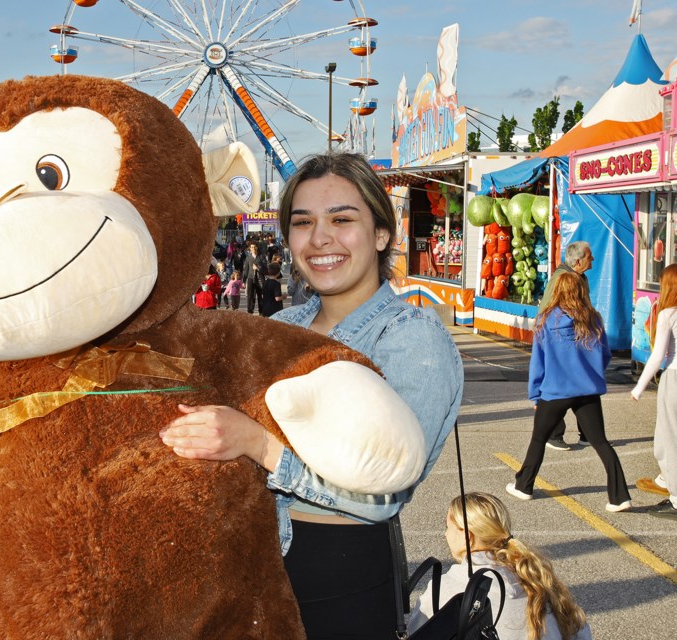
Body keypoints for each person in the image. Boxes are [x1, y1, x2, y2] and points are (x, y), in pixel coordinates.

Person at [160, 153, 463, 639]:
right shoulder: (280, 327)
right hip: (254, 577)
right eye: (303, 223)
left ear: (382, 234)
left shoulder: (410, 336)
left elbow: (384, 494)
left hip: (341, 584)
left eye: (342, 219)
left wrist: (258, 445)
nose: (320, 238)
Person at [507, 271, 632, 512]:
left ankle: (524, 486)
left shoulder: (546, 320)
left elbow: (538, 363)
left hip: (555, 390)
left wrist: (535, 393)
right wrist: (590, 371)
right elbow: (605, 355)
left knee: (539, 439)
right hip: (587, 390)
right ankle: (619, 496)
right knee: (600, 442)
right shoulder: (594, 320)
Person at [409, 492, 592, 640]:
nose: (445, 534)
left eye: (448, 526)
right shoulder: (537, 577)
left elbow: (415, 632)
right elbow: (580, 631)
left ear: (468, 535)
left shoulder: (446, 588)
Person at [631, 263, 677, 520]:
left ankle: (675, 498)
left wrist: (639, 387)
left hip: (674, 378)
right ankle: (665, 479)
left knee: (667, 438)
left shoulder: (668, 314)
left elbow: (658, 355)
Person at [538, 241, 594, 451]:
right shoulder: (561, 278)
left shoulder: (581, 277)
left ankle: (587, 433)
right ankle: (553, 434)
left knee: (581, 386)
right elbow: (547, 309)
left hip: (577, 341)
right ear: (578, 261)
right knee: (560, 388)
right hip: (562, 342)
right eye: (590, 257)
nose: (593, 260)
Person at [241, 242, 266, 314]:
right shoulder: (248, 258)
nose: (253, 249)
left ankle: (261, 312)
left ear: (257, 248)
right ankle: (250, 311)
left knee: (260, 296)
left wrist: (258, 268)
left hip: (260, 279)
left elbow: (265, 268)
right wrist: (243, 281)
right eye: (251, 247)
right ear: (250, 249)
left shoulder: (261, 257)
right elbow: (246, 270)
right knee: (250, 296)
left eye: (254, 247)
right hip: (250, 279)